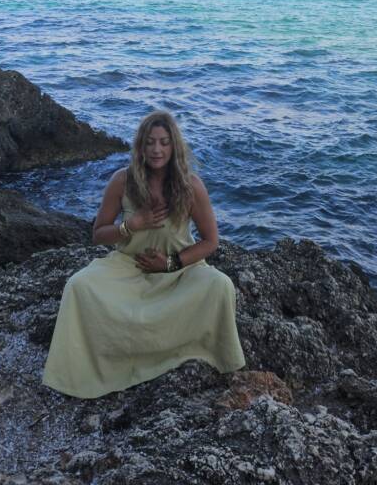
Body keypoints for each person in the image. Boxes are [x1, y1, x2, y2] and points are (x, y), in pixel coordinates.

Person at [41, 110, 245, 398]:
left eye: (163, 142)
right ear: (140, 146)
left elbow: (211, 242)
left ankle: (205, 354)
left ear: (174, 145)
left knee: (220, 285)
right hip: (128, 267)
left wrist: (171, 263)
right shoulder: (122, 181)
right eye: (150, 142)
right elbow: (98, 233)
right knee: (78, 286)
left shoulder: (191, 185)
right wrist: (131, 225)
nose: (157, 150)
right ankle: (83, 371)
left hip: (178, 272)